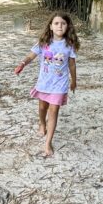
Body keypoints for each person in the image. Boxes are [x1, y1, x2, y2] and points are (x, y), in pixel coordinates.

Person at [14, 12, 80, 157]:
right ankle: (42, 123)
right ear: (50, 26)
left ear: (67, 26)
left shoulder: (69, 45)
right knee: (42, 106)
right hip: (44, 82)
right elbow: (31, 55)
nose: (59, 26)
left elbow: (72, 65)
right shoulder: (44, 42)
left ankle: (48, 142)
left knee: (54, 110)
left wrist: (74, 81)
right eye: (56, 23)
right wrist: (23, 64)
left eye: (63, 23)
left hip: (60, 84)